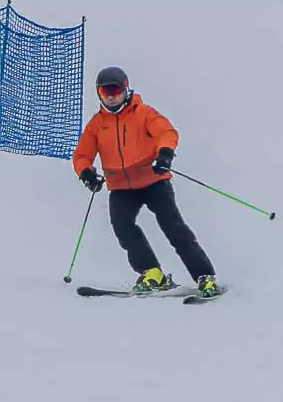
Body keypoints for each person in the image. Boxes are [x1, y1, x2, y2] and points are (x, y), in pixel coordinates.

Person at [73, 65, 221, 296]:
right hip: (121, 186)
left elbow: (167, 132)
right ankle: (152, 273)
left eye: (116, 91)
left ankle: (205, 276)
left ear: (126, 90)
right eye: (105, 93)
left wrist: (165, 155)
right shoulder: (97, 124)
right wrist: (87, 174)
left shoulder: (143, 113)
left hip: (153, 181)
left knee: (173, 227)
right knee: (122, 226)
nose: (111, 97)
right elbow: (82, 155)